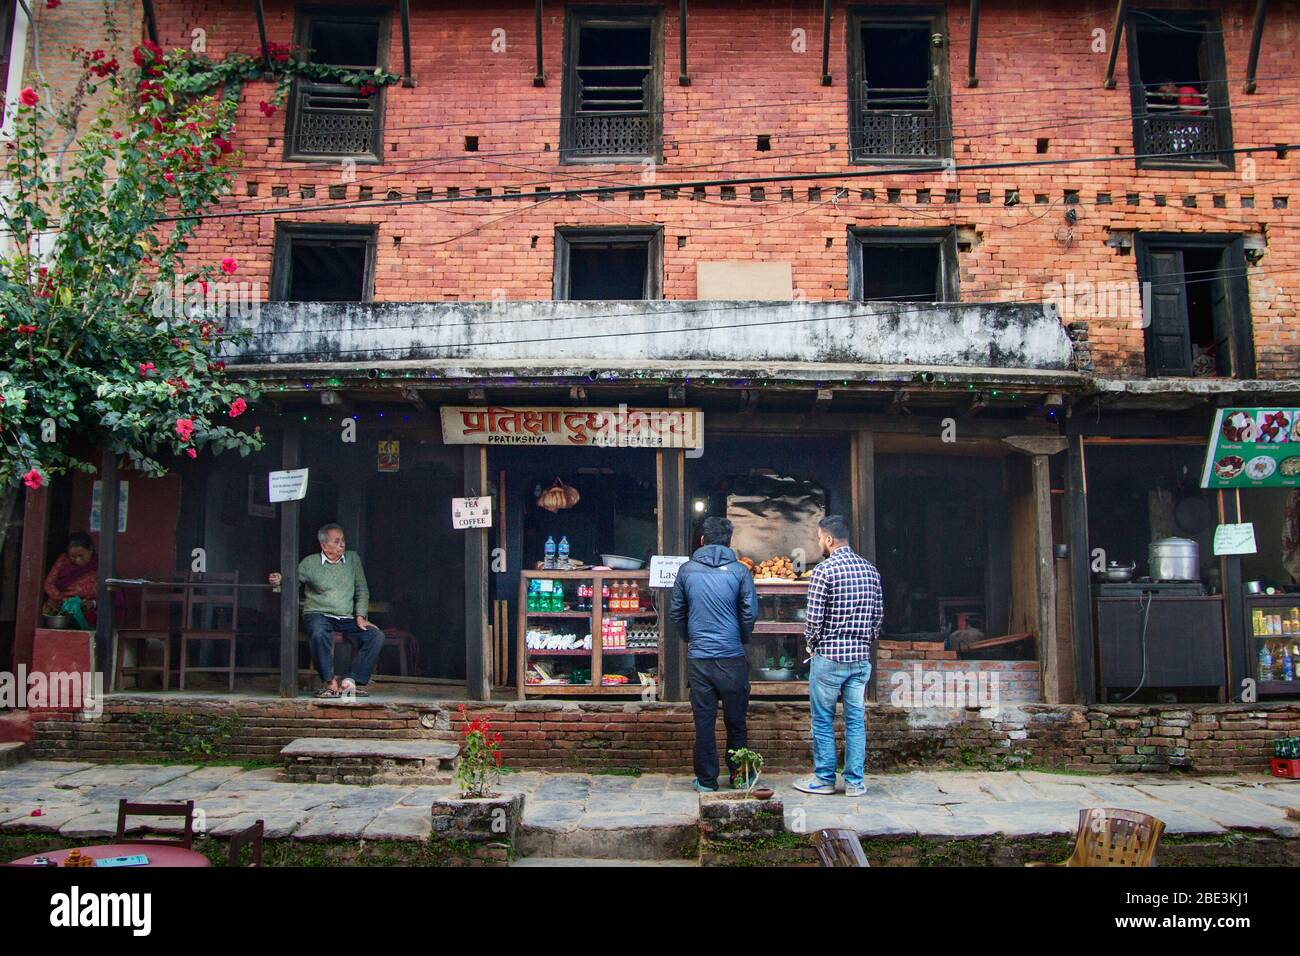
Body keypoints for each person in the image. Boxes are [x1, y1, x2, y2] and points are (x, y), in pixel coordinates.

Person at [794, 515, 883, 797]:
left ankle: (824, 779)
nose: (819, 542)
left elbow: (814, 619)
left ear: (829, 539)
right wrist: (863, 641)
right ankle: (855, 783)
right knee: (855, 720)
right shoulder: (870, 570)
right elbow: (878, 618)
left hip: (830, 657)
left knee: (823, 719)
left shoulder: (825, 571)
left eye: (820, 538)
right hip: (859, 658)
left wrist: (811, 644)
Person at [670, 516, 758, 793]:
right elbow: (750, 613)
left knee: (704, 722)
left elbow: (677, 613)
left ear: (701, 540)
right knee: (736, 721)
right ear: (729, 541)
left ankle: (707, 780)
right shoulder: (740, 571)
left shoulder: (686, 571)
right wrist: (740, 638)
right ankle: (740, 776)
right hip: (732, 657)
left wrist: (691, 638)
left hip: (700, 658)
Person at [269, 523, 384, 699]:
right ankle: (330, 683)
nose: (342, 545)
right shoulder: (310, 562)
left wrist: (360, 617)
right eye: (337, 541)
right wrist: (279, 581)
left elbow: (362, 590)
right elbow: (292, 583)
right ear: (324, 545)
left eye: (343, 540)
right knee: (318, 632)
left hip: (346, 617)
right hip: (318, 614)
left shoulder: (353, 559)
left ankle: (351, 680)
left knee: (376, 636)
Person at [42, 532, 100, 623]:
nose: (77, 560)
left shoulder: (99, 564)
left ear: (91, 549)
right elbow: (48, 584)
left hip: (87, 610)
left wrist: (93, 603)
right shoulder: (64, 561)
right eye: (73, 557)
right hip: (61, 608)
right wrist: (64, 600)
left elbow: (110, 593)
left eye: (81, 556)